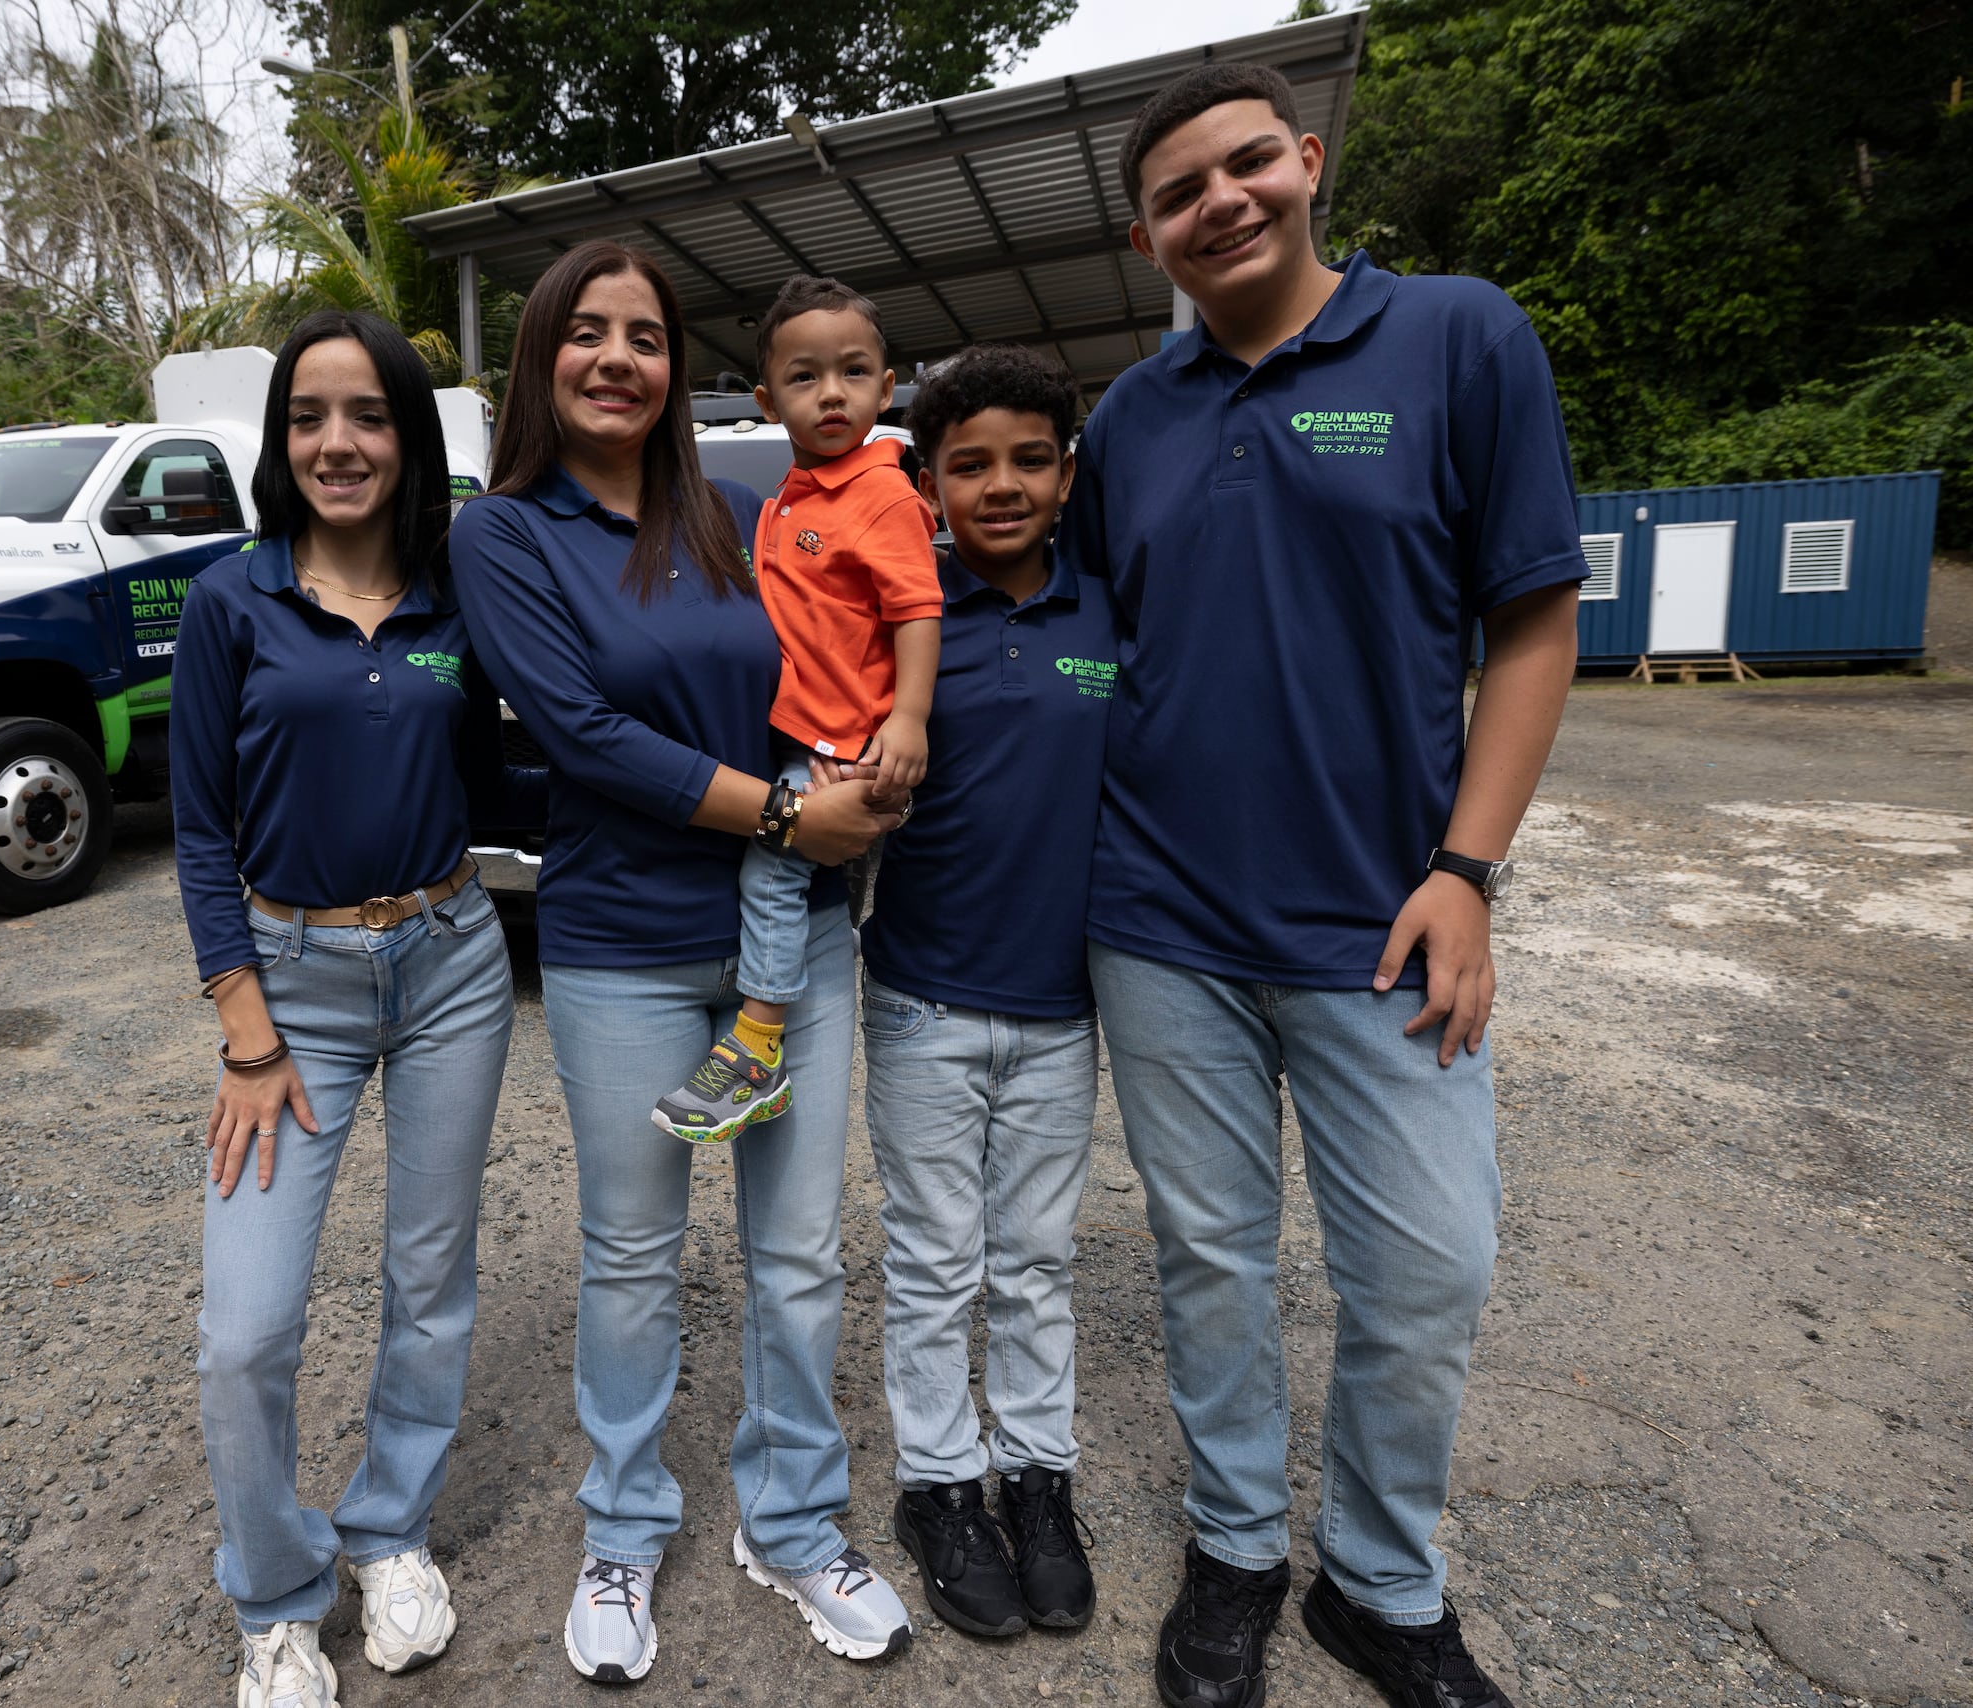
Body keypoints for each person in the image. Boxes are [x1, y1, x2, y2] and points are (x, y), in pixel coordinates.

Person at [1063, 63, 1585, 1708]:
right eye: (1178, 193)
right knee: (1210, 1260)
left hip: (1388, 916)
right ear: (1145, 235)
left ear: (1305, 162)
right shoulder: (1130, 419)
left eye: (1244, 167)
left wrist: (1468, 869)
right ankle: (1235, 1549)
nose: (1219, 204)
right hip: (1162, 923)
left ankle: (1378, 1580)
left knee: (1428, 1265)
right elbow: (1088, 655)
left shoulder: (1457, 337)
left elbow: (1532, 620)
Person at [450, 241, 916, 1684]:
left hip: (793, 947)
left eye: (644, 337)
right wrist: (788, 808)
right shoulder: (506, 534)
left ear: (676, 369)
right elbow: (582, 735)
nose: (616, 358)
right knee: (636, 1259)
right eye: (584, 332)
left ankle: (789, 1522)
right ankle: (623, 1529)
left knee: (797, 1260)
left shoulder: (736, 510)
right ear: (541, 359)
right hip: (624, 950)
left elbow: (844, 655)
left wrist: (879, 756)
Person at [170, 310, 537, 1708]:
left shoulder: (460, 603)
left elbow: (510, 790)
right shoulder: (232, 602)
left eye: (368, 415)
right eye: (310, 417)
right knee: (246, 1327)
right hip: (294, 991)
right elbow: (202, 833)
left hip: (451, 966)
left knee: (429, 1281)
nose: (338, 442)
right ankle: (274, 1596)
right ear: (282, 442)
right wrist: (245, 1029)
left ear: (409, 439)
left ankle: (391, 1529)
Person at [848, 344, 1108, 1644]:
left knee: (1039, 1262)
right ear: (930, 482)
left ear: (1067, 474)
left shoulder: (1109, 620)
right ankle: (942, 1490)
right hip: (924, 1007)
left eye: (1028, 459)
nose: (1000, 485)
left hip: (1064, 1012)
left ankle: (1040, 1484)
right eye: (969, 465)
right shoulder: (906, 626)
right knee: (937, 1261)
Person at [649, 274, 941, 1145]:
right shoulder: (791, 499)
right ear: (767, 399)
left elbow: (917, 610)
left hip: (842, 736)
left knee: (771, 873)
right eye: (807, 378)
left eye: (854, 373)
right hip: (802, 730)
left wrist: (909, 720)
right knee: (781, 872)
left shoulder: (883, 495)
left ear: (887, 391)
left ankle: (757, 1042)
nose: (833, 394)